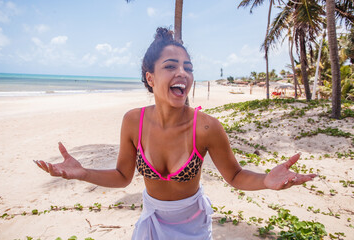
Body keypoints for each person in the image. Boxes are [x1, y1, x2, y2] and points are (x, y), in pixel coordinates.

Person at [34, 27, 316, 239]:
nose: (183, 73)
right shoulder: (133, 121)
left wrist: (265, 180)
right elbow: (122, 177)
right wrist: (83, 173)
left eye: (188, 68)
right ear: (150, 77)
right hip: (152, 223)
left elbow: (235, 175)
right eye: (171, 66)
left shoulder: (206, 127)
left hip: (193, 225)